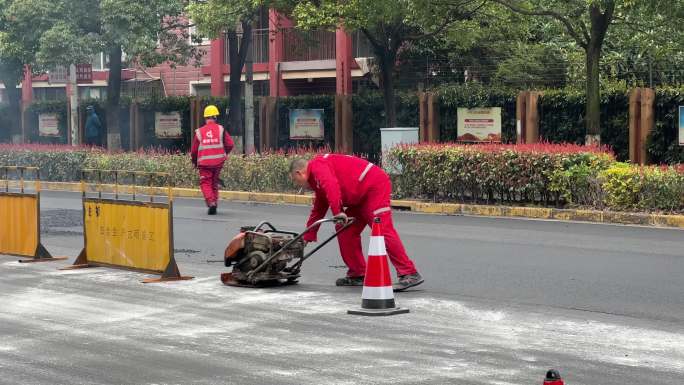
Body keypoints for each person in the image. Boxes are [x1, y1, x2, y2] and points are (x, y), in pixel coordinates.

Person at [290, 154, 424, 291]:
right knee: (345, 229)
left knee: (382, 229)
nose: (298, 185)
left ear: (299, 173)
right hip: (360, 195)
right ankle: (358, 273)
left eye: (295, 181)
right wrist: (307, 236)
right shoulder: (316, 181)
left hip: (373, 186)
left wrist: (338, 212)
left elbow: (331, 185)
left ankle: (409, 273)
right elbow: (319, 207)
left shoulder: (317, 166)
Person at [191, 105, 234, 215]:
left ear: (205, 118)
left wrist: (195, 162)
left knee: (205, 183)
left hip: (204, 163)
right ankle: (214, 202)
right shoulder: (221, 129)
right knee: (214, 183)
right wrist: (223, 154)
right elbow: (230, 144)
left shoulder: (199, 132)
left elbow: (194, 151)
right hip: (218, 162)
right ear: (215, 117)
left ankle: (211, 203)